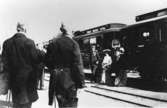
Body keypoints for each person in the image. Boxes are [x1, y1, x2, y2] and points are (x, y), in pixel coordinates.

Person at [45, 24, 85, 108]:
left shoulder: (53, 44)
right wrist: (81, 84)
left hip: (56, 80)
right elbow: (78, 65)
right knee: (71, 104)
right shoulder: (74, 44)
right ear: (71, 32)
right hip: (71, 81)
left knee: (61, 104)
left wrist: (55, 69)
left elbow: (47, 62)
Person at [2, 22, 40, 108]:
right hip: (28, 81)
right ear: (25, 30)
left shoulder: (7, 43)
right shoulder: (30, 43)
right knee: (26, 104)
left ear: (17, 29)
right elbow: (35, 61)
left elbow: (4, 63)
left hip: (13, 80)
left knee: (16, 103)